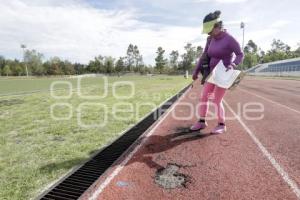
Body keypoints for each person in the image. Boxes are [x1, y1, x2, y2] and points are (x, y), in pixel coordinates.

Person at [190, 10, 244, 134]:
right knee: (204, 97)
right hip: (211, 74)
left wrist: (233, 64)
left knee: (216, 100)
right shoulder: (210, 39)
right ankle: (202, 122)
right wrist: (196, 71)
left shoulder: (230, 39)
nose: (208, 33)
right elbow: (204, 56)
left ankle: (221, 124)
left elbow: (240, 54)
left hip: (223, 74)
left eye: (210, 29)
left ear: (217, 26)